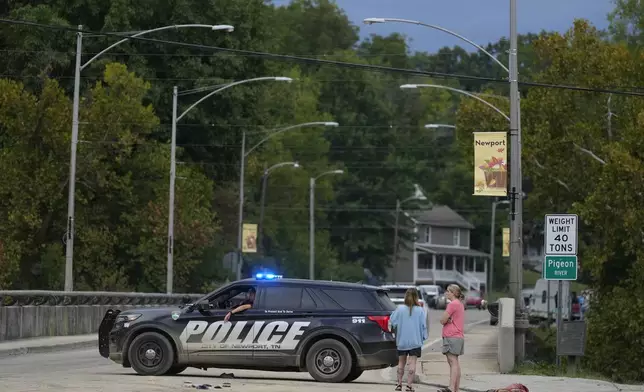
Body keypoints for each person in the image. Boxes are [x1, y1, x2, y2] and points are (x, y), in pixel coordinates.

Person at [389, 288, 428, 392]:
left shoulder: (399, 309)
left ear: (405, 297)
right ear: (416, 297)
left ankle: (399, 384)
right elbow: (424, 326)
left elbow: (392, 321)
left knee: (401, 362)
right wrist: (424, 337)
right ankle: (409, 386)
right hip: (415, 341)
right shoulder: (420, 310)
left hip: (402, 341)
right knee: (412, 363)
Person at [439, 284, 465, 392]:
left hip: (451, 335)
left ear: (454, 293)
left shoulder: (452, 304)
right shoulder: (460, 304)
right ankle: (456, 388)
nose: (446, 293)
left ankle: (451, 387)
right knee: (455, 363)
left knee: (452, 361)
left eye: (448, 291)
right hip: (459, 336)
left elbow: (442, 320)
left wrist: (447, 319)